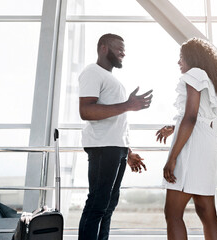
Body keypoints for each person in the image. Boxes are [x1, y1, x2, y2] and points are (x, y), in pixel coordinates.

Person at [156, 38, 217, 240]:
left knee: (173, 214)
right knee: (206, 211)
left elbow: (191, 117)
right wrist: (174, 127)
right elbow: (199, 116)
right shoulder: (207, 78)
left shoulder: (195, 74)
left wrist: (172, 158)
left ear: (191, 58)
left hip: (193, 146)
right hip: (207, 143)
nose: (178, 62)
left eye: (181, 57)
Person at [78, 33, 153, 240]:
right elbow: (86, 111)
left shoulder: (112, 79)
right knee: (97, 204)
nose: (123, 53)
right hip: (103, 148)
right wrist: (128, 105)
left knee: (108, 205)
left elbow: (115, 121)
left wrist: (127, 152)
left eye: (123, 49)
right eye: (118, 48)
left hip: (115, 148)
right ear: (103, 48)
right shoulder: (92, 72)